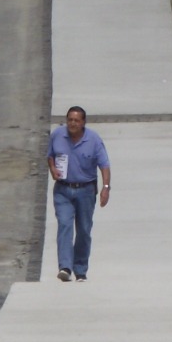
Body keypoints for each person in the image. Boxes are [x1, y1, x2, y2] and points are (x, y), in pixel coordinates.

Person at [46, 105, 111, 282]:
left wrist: (106, 187)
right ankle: (65, 267)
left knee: (83, 230)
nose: (72, 123)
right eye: (70, 120)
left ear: (83, 123)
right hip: (63, 190)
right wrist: (52, 169)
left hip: (86, 190)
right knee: (65, 225)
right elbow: (50, 155)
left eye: (76, 120)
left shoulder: (94, 140)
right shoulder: (57, 135)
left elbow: (104, 165)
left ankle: (80, 269)